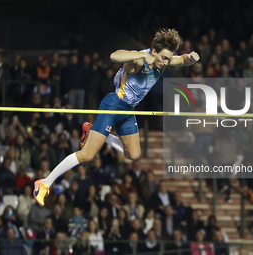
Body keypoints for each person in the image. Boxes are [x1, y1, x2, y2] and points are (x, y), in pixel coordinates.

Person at [33, 28, 199, 206]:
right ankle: (44, 183)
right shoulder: (139, 59)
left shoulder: (163, 59)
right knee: (87, 155)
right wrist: (142, 57)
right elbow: (114, 56)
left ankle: (93, 132)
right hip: (113, 105)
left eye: (168, 58)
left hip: (128, 110)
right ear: (153, 52)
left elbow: (181, 60)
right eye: (164, 58)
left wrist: (190, 59)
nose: (166, 62)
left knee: (134, 154)